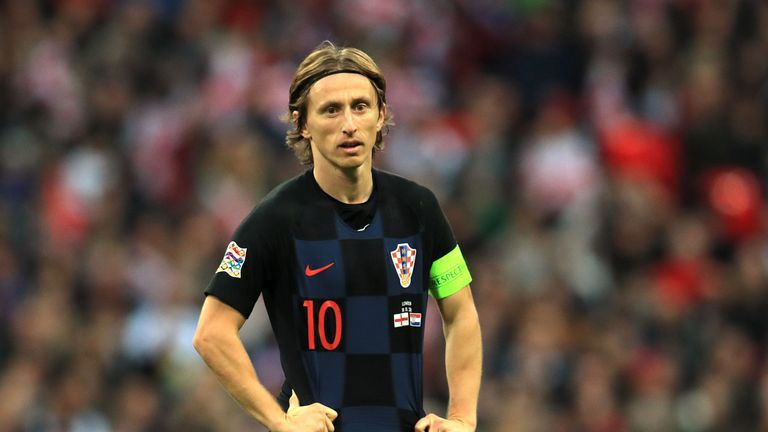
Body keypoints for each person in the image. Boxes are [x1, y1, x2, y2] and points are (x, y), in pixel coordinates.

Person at [193, 41, 482, 432]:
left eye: (360, 106)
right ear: (302, 124)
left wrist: (463, 418)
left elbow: (461, 312)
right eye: (331, 110)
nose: (349, 123)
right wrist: (279, 422)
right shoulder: (276, 218)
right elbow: (211, 333)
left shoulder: (418, 208)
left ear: (380, 116)